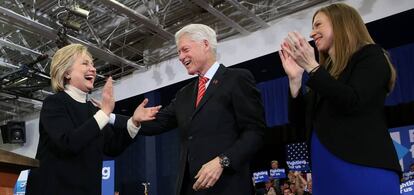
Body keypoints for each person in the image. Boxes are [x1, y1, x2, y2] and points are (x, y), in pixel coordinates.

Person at [279, 3, 401, 195]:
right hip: (325, 174)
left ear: (341, 23)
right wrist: (295, 80)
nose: (312, 33)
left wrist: (313, 67)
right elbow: (298, 123)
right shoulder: (323, 75)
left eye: (318, 25)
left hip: (363, 167)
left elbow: (352, 101)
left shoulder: (371, 56)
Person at [131, 24, 266, 194]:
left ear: (205, 44)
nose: (181, 57)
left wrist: (222, 161)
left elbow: (255, 133)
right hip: (191, 188)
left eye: (185, 49)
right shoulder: (184, 94)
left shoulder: (237, 79)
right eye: (179, 52)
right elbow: (159, 122)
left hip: (228, 187)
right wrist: (119, 118)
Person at [25, 44, 160, 195]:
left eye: (93, 64)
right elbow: (68, 142)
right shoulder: (55, 103)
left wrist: (134, 122)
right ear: (67, 73)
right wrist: (105, 113)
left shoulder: (94, 111)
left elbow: (112, 147)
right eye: (85, 63)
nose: (93, 69)